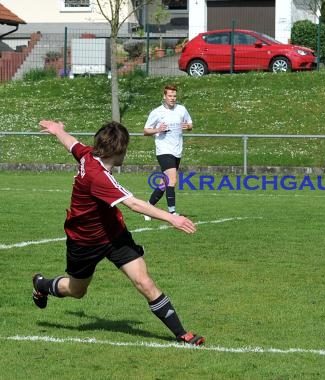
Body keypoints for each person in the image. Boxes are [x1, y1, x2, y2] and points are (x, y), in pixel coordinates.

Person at [32, 119, 205, 346]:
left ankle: (183, 335)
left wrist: (58, 131)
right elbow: (135, 204)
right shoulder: (99, 177)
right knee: (77, 290)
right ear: (119, 151)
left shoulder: (89, 155)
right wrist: (173, 217)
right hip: (85, 241)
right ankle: (42, 285)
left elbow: (72, 144)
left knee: (144, 282)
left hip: (114, 235)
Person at [143, 84, 193, 220]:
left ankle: (148, 208)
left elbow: (190, 124)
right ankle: (172, 212)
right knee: (172, 179)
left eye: (174, 96)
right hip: (164, 150)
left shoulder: (181, 109)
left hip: (177, 150)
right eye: (170, 96)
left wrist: (187, 126)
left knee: (163, 183)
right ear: (164, 96)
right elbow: (146, 130)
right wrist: (158, 130)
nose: (172, 98)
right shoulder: (157, 112)